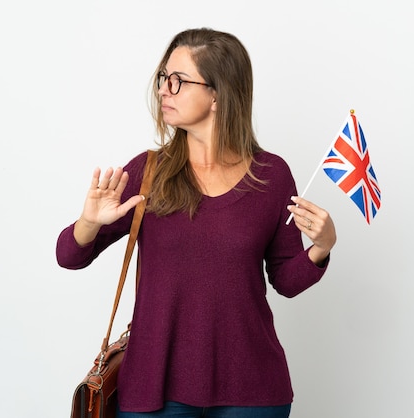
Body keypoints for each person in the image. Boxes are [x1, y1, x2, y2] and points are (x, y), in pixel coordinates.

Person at [56, 28, 337, 418]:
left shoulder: (272, 175)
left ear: (219, 93)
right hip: (152, 390)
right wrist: (88, 221)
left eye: (179, 81)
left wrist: (321, 248)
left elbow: (286, 281)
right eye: (162, 78)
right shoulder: (147, 172)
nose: (163, 91)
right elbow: (69, 256)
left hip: (252, 391)